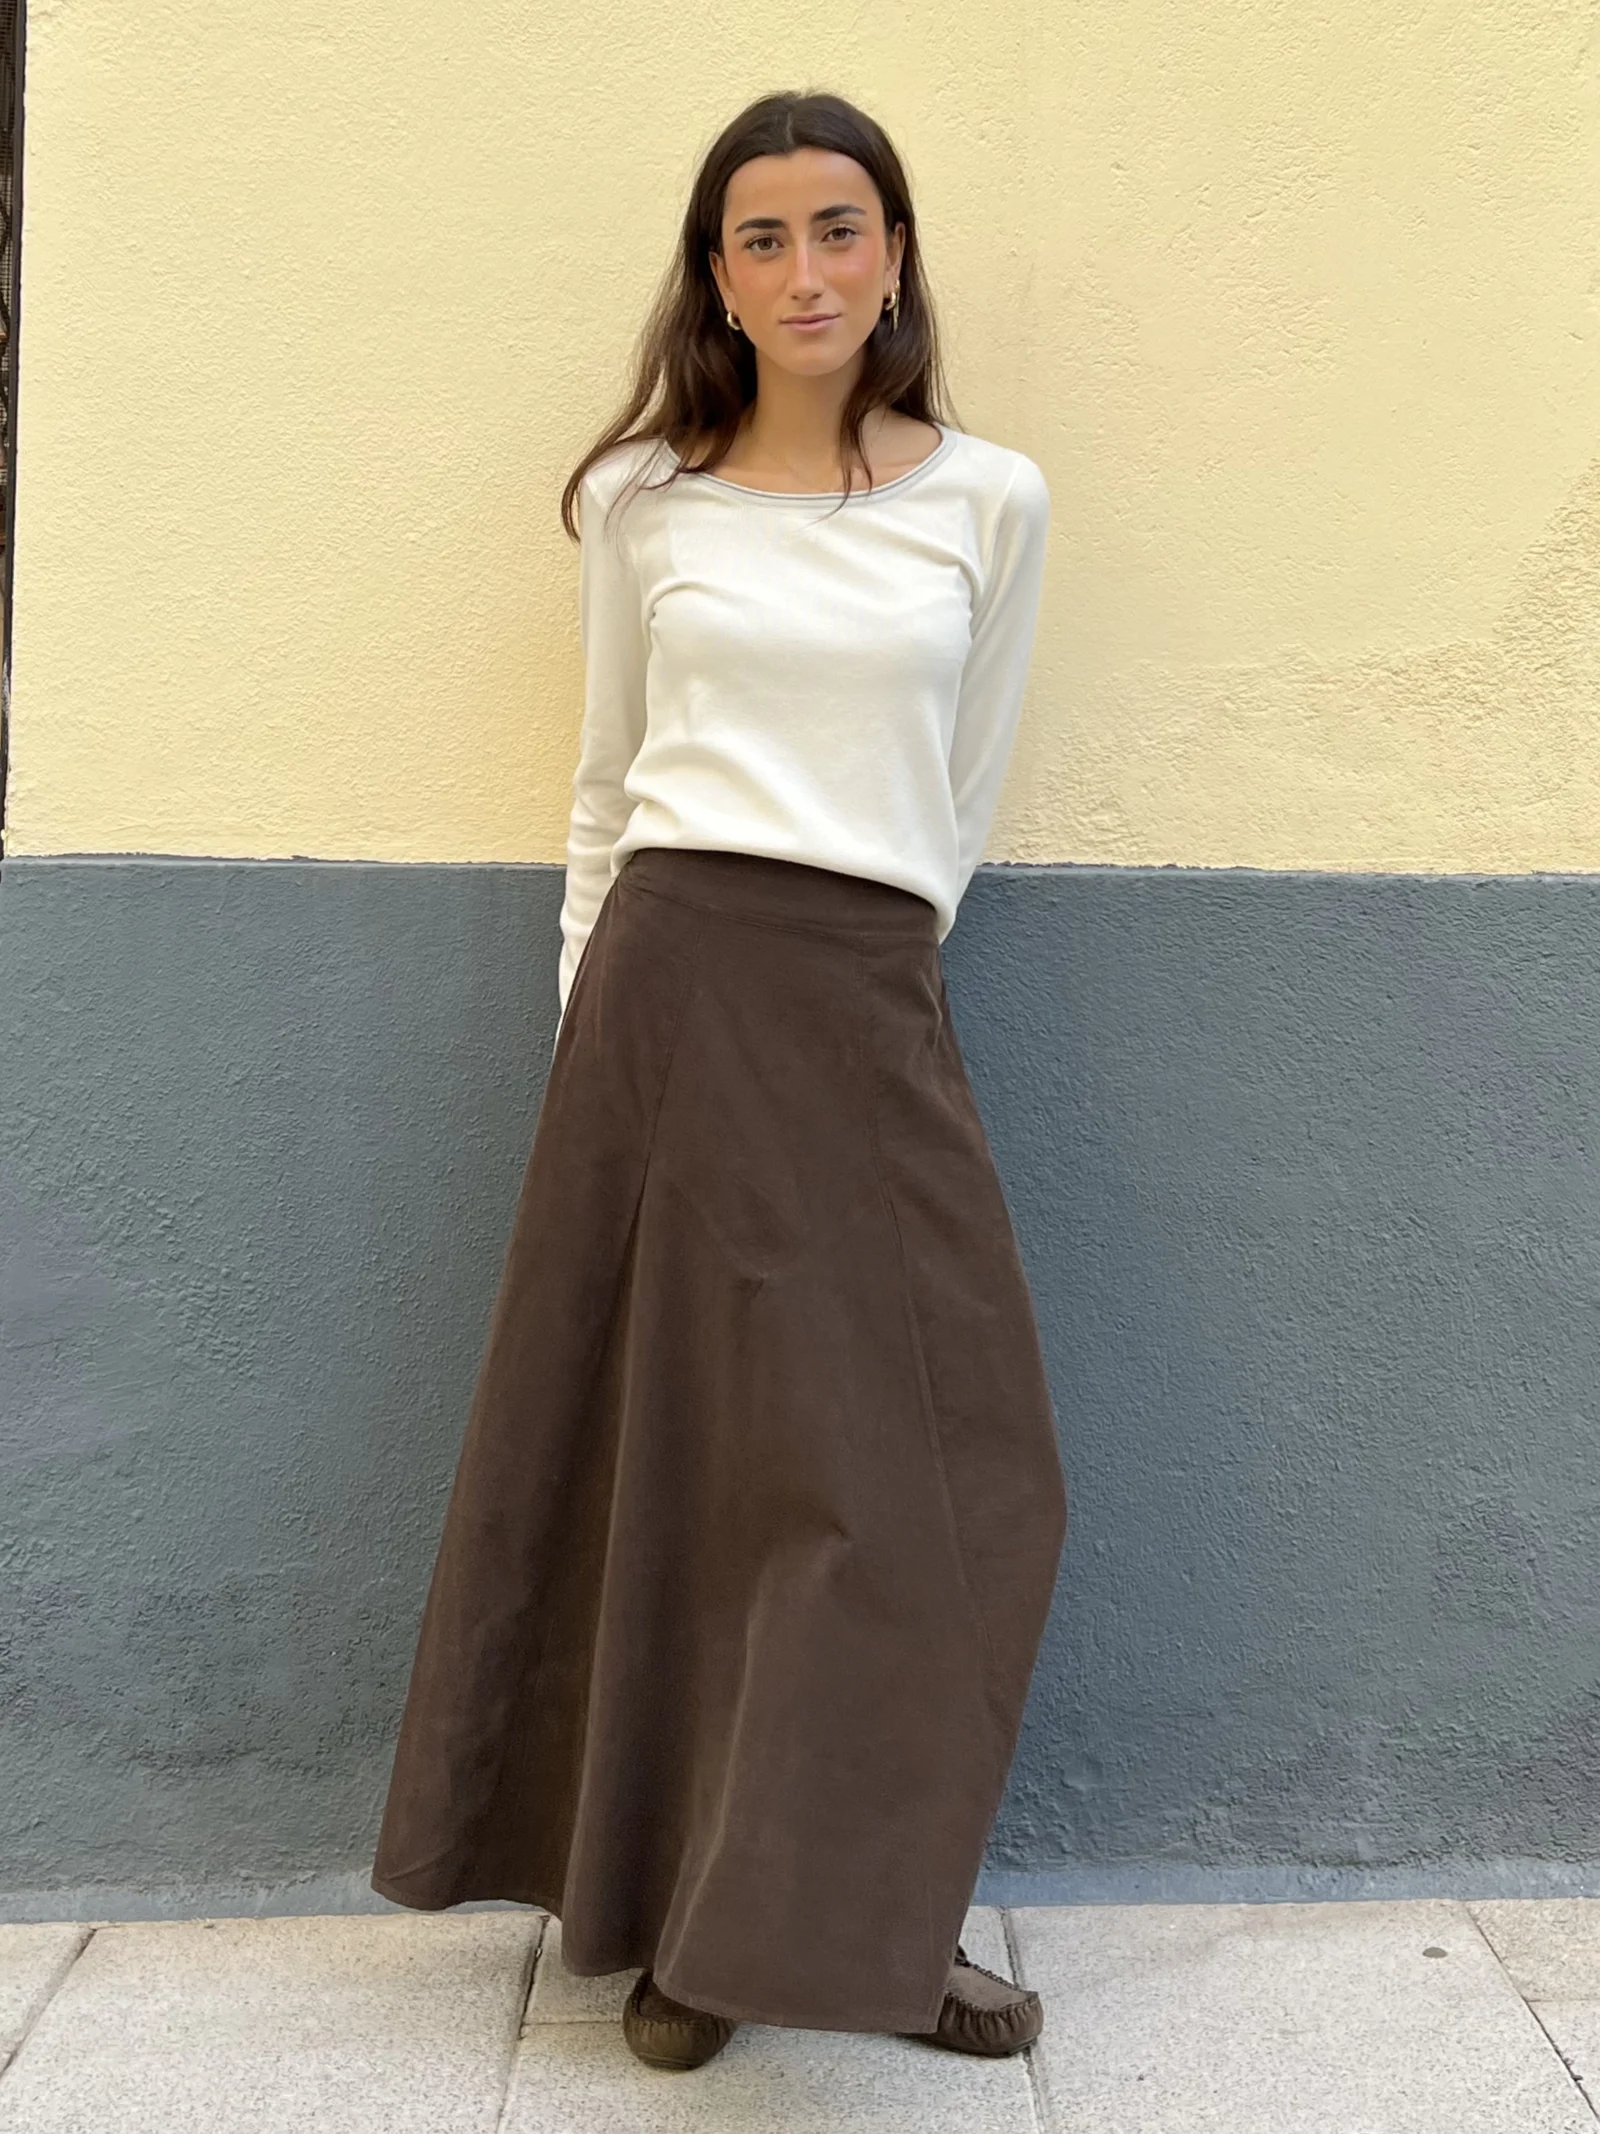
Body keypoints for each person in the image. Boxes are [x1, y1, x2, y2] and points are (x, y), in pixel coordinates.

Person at [370, 86, 1069, 2075]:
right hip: (664, 1000)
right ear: (718, 277)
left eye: (837, 228)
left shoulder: (990, 501)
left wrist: (867, 983)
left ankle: (837, 1917)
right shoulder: (642, 503)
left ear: (895, 254)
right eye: (761, 238)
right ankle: (687, 1938)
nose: (803, 271)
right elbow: (605, 795)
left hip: (861, 998)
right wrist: (590, 1048)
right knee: (682, 1465)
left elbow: (960, 795)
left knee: (951, 1478)